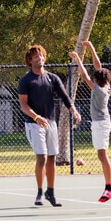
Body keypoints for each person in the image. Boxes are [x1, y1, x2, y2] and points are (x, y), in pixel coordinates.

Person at [18, 44, 81, 207]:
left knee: (52, 158)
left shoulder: (52, 78)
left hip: (51, 123)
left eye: (41, 55)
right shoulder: (26, 80)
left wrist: (73, 110)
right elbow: (23, 105)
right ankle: (39, 193)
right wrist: (36, 117)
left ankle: (50, 192)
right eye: (35, 56)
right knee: (42, 157)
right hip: (34, 124)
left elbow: (65, 96)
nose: (39, 58)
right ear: (30, 61)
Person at [69, 41, 111, 203]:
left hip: (101, 124)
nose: (92, 76)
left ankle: (109, 187)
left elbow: (84, 76)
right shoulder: (106, 85)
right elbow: (98, 66)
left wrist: (78, 59)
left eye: (94, 77)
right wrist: (91, 47)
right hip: (101, 123)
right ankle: (109, 185)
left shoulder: (99, 90)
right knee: (101, 154)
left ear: (97, 80)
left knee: (102, 155)